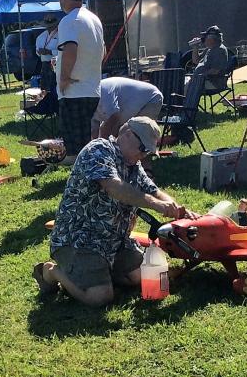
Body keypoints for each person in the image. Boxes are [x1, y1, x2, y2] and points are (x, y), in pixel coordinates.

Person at [32, 116, 198, 307]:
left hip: (115, 243)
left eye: (147, 151)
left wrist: (178, 210)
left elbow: (154, 191)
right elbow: (114, 187)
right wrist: (156, 205)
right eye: (142, 148)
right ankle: (51, 272)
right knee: (100, 297)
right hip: (80, 240)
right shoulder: (98, 150)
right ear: (127, 134)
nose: (143, 155)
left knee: (142, 276)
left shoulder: (133, 165)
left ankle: (100, 273)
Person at [55, 0, 105, 164]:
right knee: (87, 140)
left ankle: (84, 174)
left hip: (74, 91)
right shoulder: (94, 19)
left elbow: (70, 49)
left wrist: (64, 77)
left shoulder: (69, 21)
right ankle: (91, 170)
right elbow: (103, 50)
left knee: (76, 146)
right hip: (92, 88)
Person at [91, 76, 164, 140]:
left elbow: (114, 117)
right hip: (128, 106)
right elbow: (94, 131)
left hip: (151, 98)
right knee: (123, 137)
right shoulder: (91, 101)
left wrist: (102, 141)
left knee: (140, 133)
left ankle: (146, 150)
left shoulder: (103, 91)